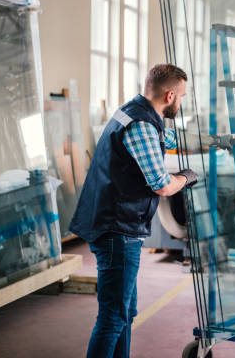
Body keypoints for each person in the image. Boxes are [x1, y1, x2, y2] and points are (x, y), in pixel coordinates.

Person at [69, 64, 198, 358]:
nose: (181, 102)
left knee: (125, 312)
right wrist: (187, 177)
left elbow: (163, 140)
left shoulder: (132, 111)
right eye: (182, 97)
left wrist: (207, 140)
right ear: (169, 96)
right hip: (117, 229)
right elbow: (161, 184)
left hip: (113, 222)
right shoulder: (140, 124)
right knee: (113, 316)